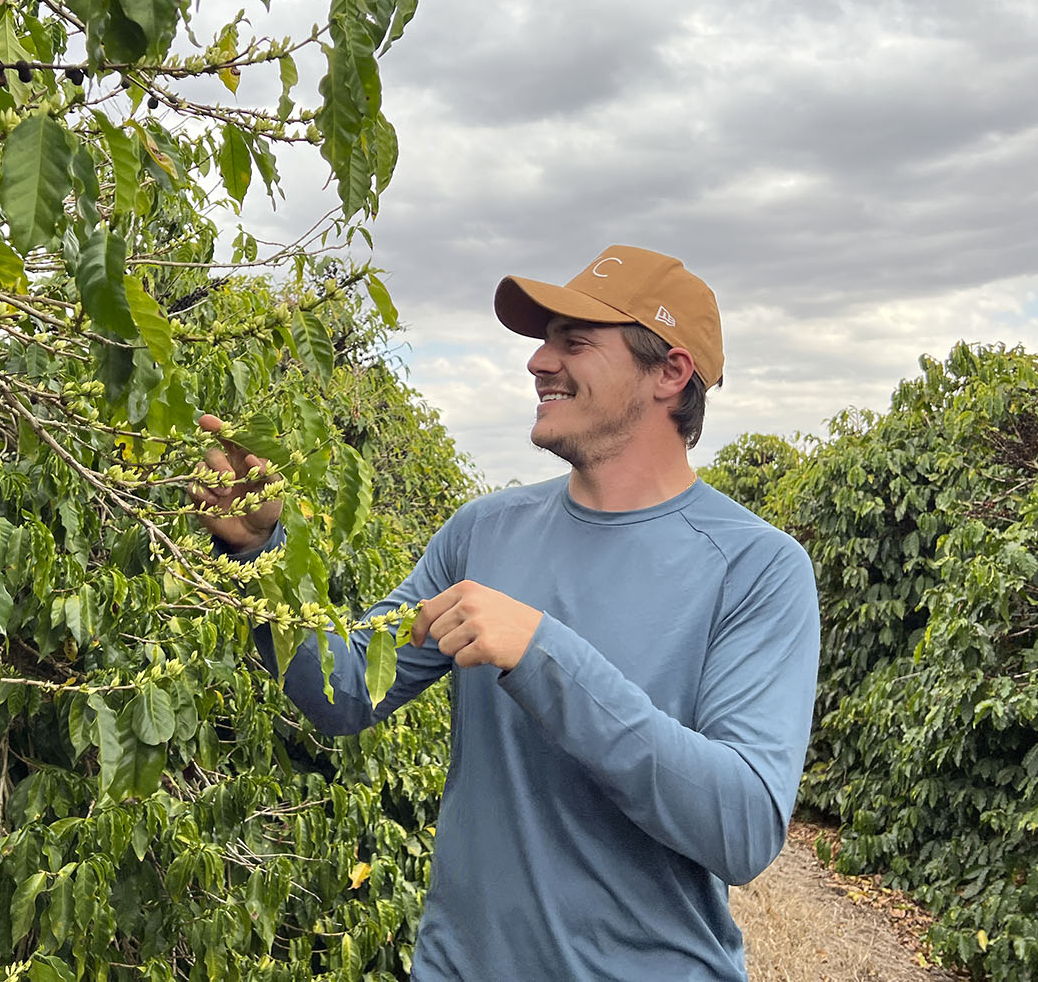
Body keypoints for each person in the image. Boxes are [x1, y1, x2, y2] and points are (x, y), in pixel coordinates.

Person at [194, 244, 820, 981]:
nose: (538, 361)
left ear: (670, 373)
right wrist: (261, 554)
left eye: (574, 342)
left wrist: (541, 652)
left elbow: (742, 828)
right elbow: (346, 687)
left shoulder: (758, 568)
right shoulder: (482, 532)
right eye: (545, 340)